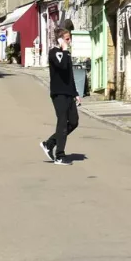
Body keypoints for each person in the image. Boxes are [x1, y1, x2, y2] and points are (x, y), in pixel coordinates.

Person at [40, 23, 79, 165]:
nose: (70, 41)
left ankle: (49, 143)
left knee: (73, 122)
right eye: (67, 39)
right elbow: (62, 67)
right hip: (58, 93)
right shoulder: (54, 53)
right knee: (62, 122)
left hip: (69, 93)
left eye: (69, 39)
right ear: (60, 40)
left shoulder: (66, 54)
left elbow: (69, 74)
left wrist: (75, 93)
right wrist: (64, 50)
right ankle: (60, 155)